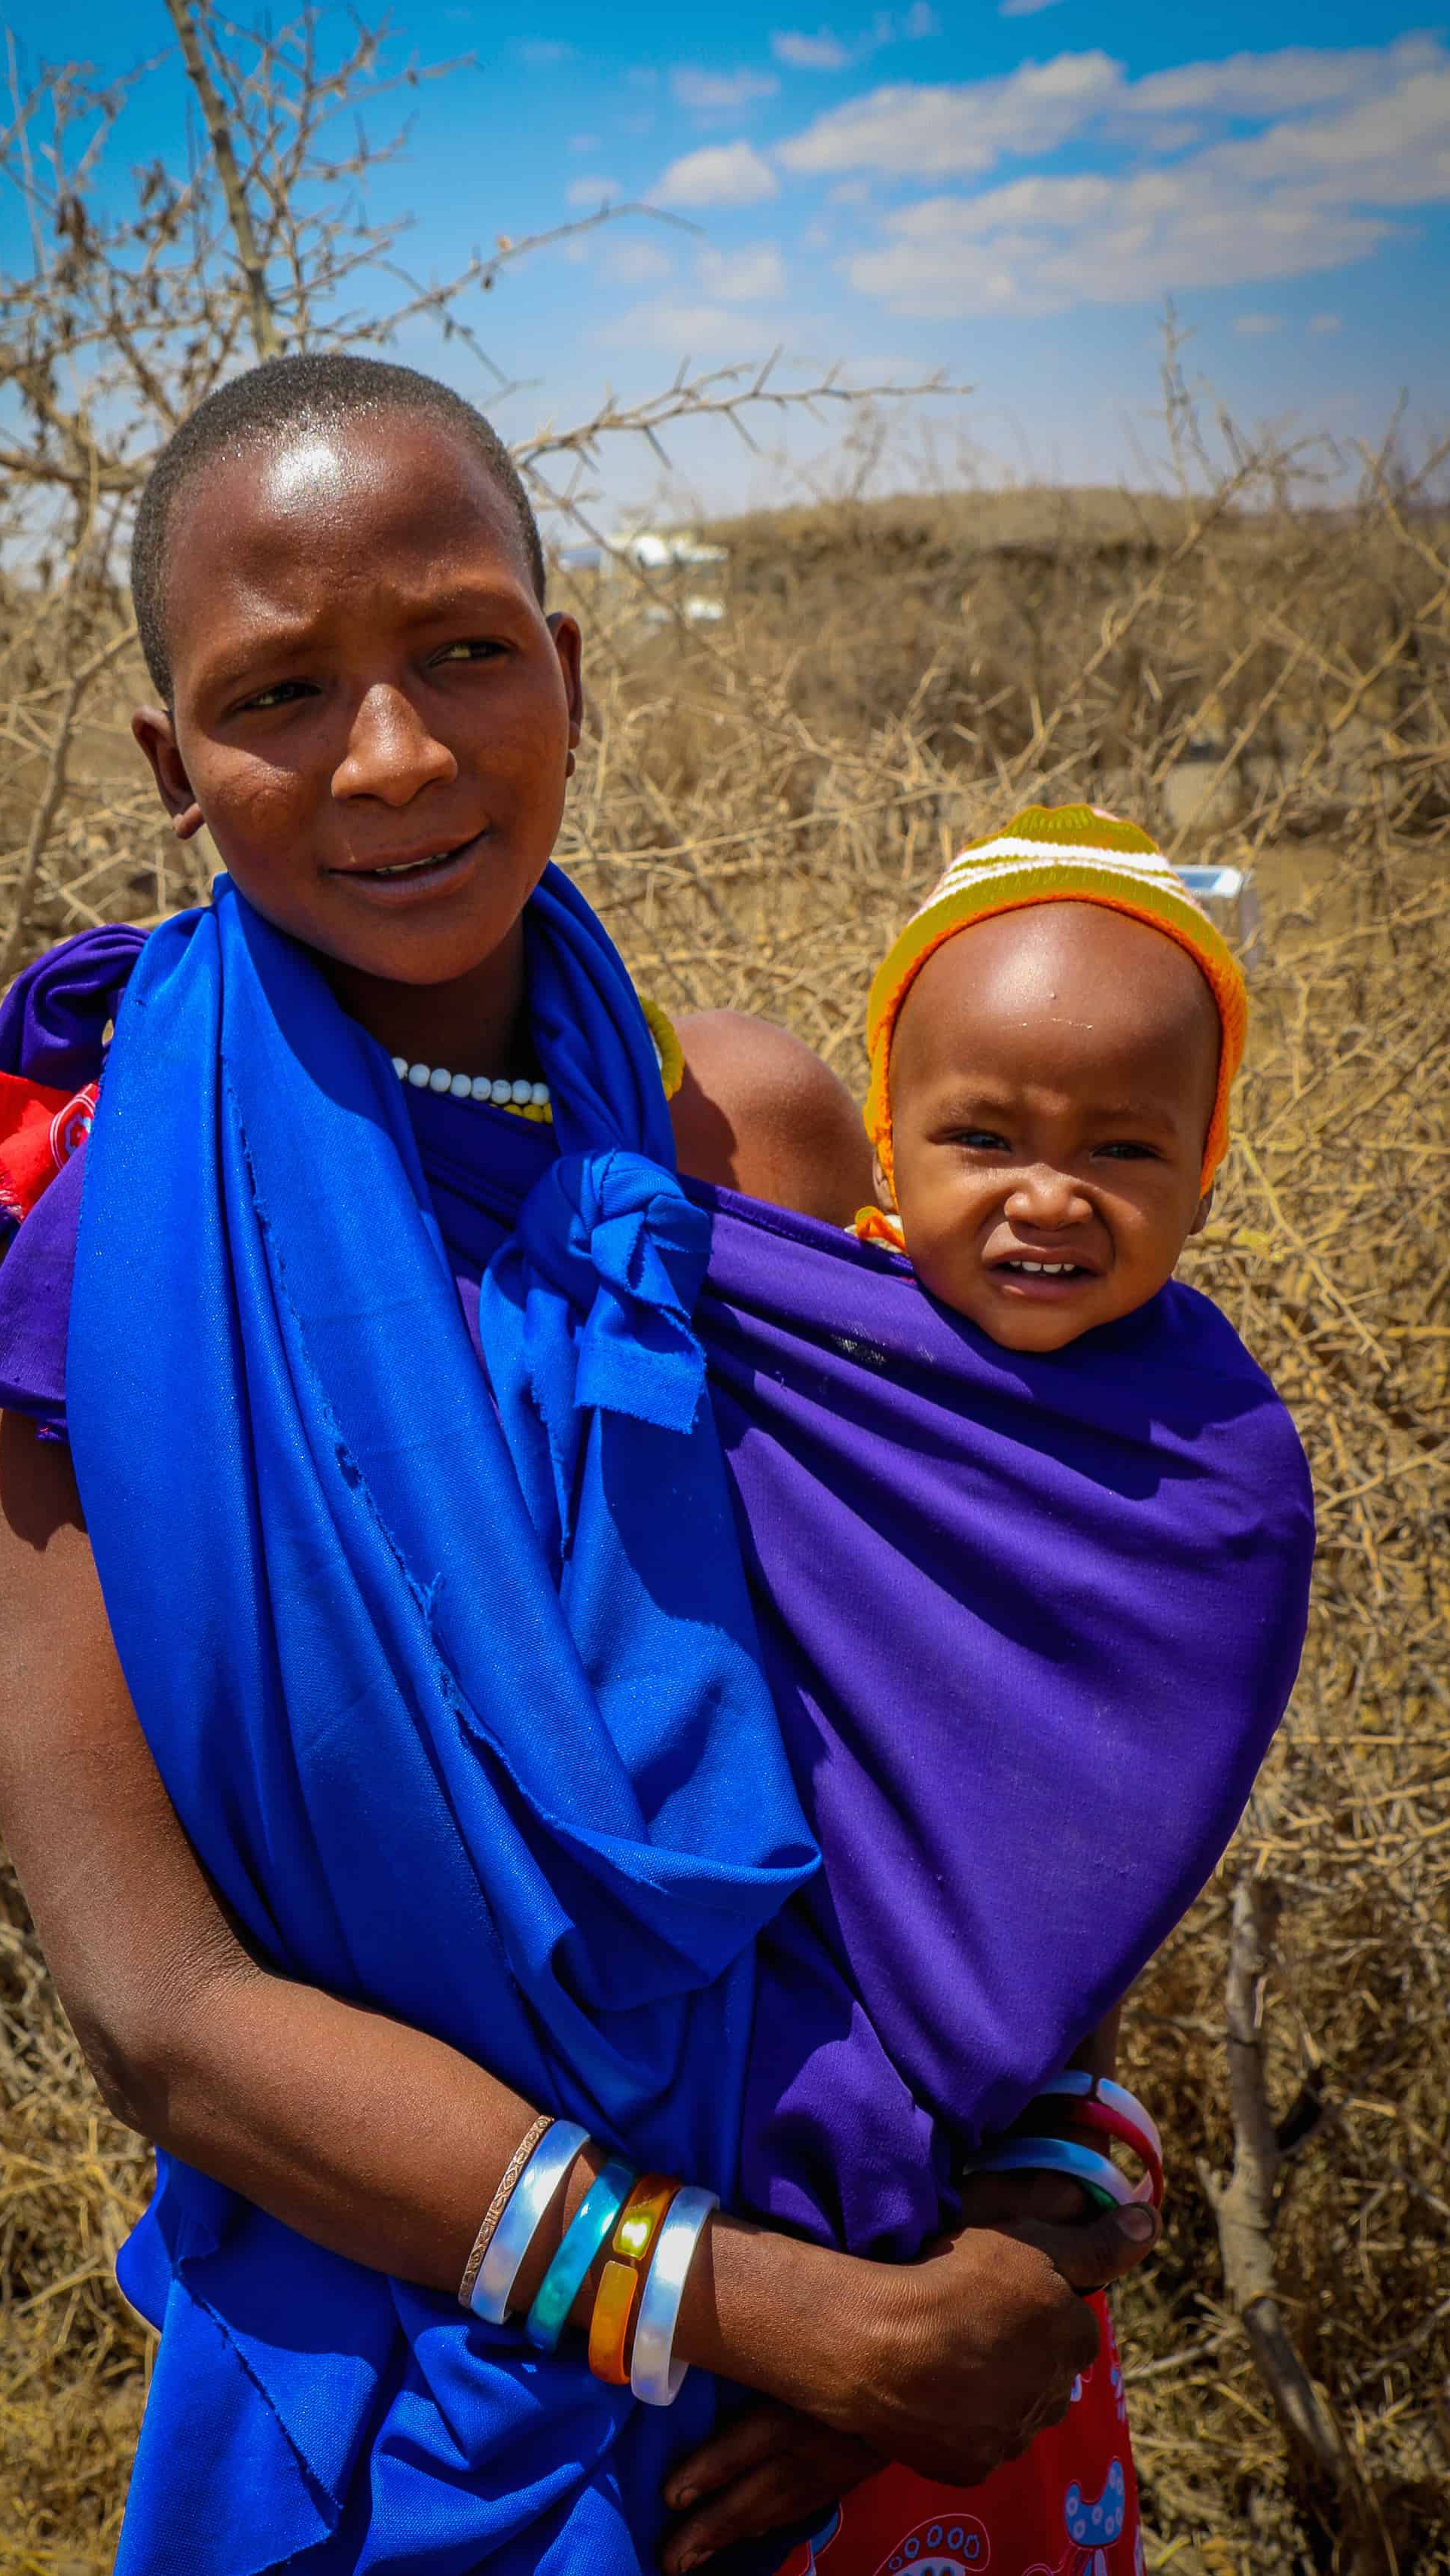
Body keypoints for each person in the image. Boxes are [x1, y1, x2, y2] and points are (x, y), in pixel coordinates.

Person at [0, 356, 1311, 2576]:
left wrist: (1030, 2222)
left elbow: (985, 1747)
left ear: (567, 667)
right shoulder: (57, 1210)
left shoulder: (752, 1134)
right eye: (280, 692)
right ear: (174, 763)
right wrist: (761, 2312)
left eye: (463, 649)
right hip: (427, 2370)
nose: (395, 754)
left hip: (898, 2337)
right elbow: (159, 2008)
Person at [679, 806, 1305, 2575]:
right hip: (709, 2215)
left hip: (988, 2253)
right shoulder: (786, 1352)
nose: (1051, 1193)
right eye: (983, 1136)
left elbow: (1075, 1907)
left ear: (1207, 1164)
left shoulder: (1203, 1475)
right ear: (887, 1130)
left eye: (1126, 1145)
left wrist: (1011, 2257)